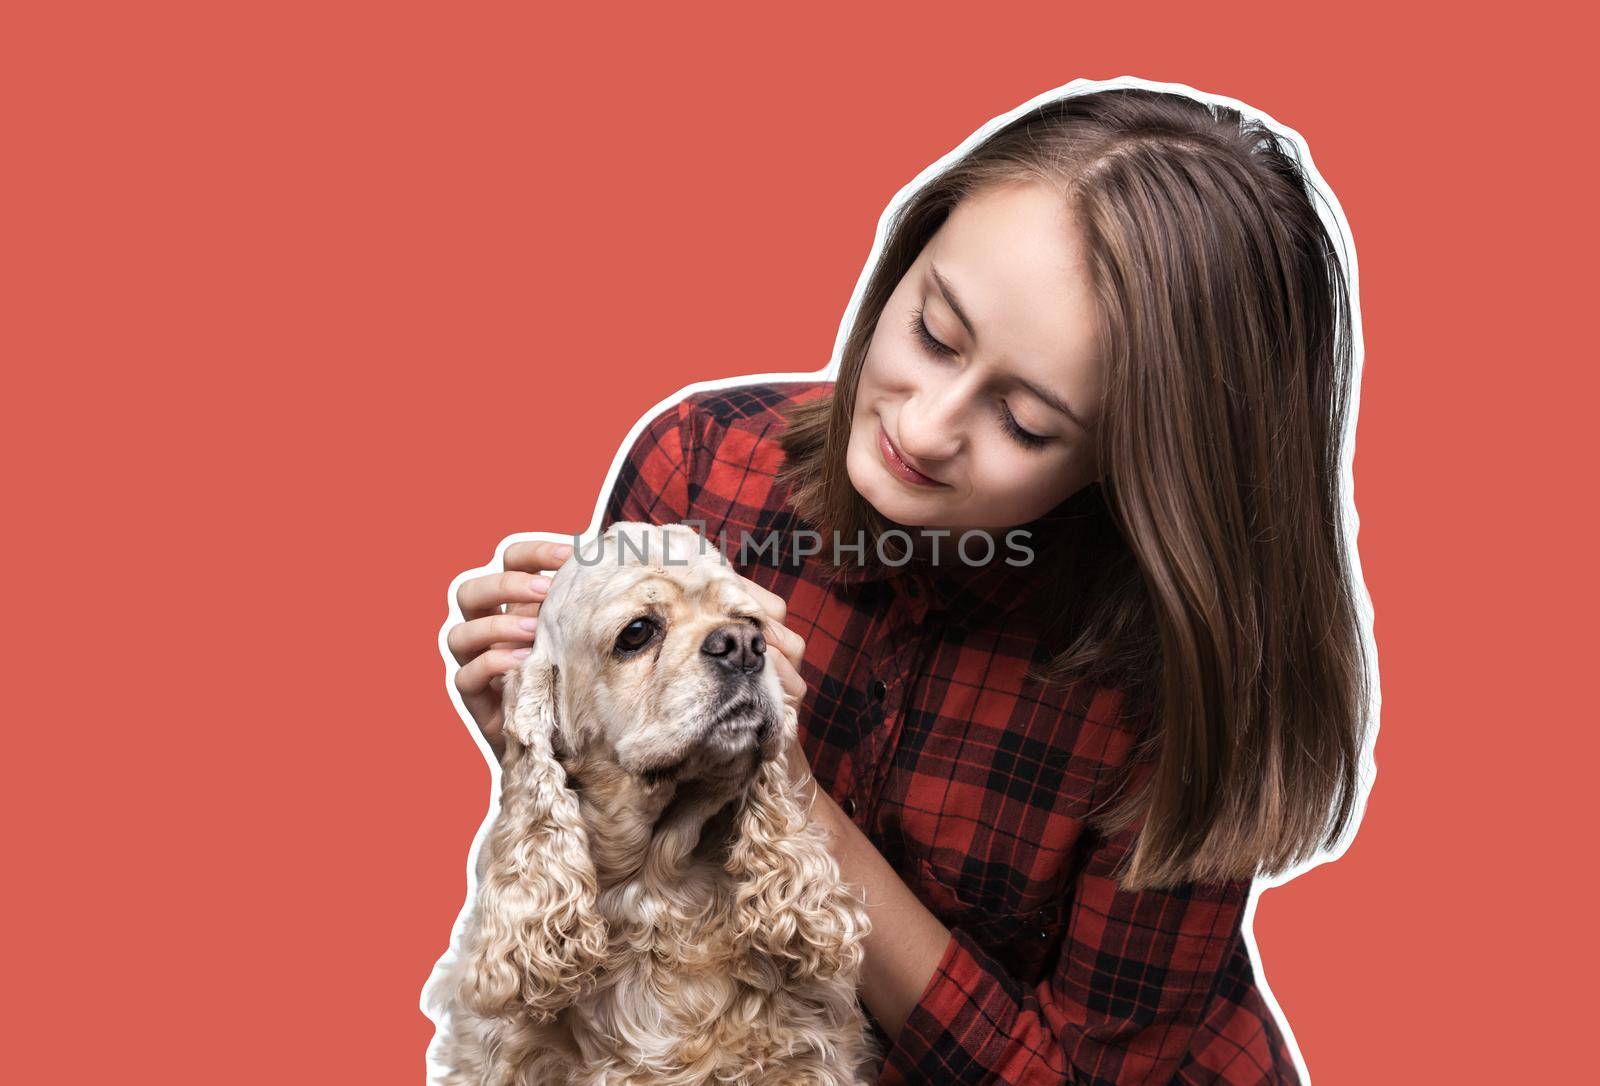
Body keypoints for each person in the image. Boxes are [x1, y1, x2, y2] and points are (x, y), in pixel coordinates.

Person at [445, 86, 1373, 1084]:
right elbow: (622, 884)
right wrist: (555, 726)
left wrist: (793, 797)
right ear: (904, 259)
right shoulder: (703, 464)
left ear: (1134, 463)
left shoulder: (1185, 687)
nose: (923, 428)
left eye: (1023, 422)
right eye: (933, 330)